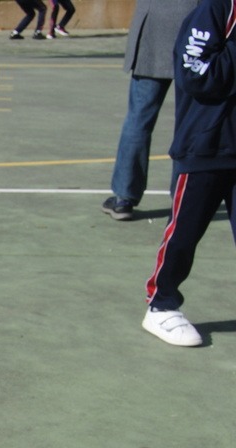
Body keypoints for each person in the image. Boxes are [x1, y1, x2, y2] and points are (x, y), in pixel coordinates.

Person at [141, 0, 236, 348]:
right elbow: (198, 75)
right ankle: (161, 304)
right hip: (205, 146)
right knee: (184, 233)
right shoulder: (216, 9)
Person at [102, 0, 199, 221]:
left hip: (155, 26)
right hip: (194, 24)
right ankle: (183, 197)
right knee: (190, 122)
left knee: (138, 119)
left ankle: (124, 198)